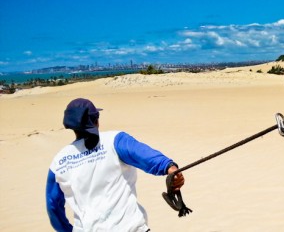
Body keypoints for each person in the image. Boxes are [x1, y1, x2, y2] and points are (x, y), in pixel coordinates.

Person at [45, 98, 185, 231]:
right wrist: (170, 167)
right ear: (96, 120)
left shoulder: (59, 161)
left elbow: (53, 206)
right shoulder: (115, 140)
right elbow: (145, 155)